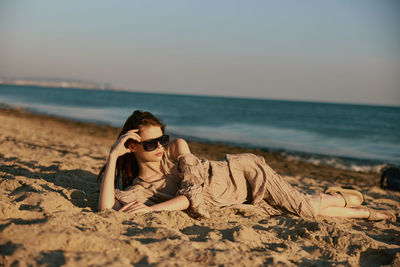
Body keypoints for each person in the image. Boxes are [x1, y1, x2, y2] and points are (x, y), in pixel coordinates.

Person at [98, 110, 396, 222]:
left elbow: (193, 196)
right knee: (296, 210)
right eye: (151, 144)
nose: (159, 146)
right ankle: (360, 209)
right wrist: (113, 157)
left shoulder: (177, 149)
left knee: (304, 208)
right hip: (237, 199)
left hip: (245, 172)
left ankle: (346, 200)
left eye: (161, 138)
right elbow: (106, 210)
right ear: (132, 146)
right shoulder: (141, 189)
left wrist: (152, 209)